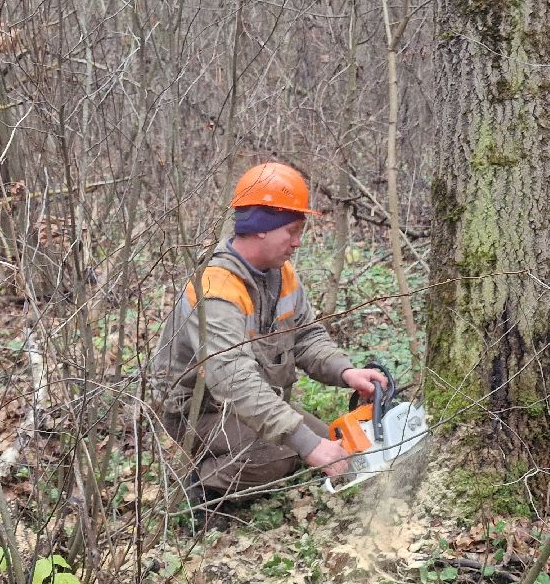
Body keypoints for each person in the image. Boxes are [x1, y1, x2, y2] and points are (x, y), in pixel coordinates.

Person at [151, 162, 388, 520]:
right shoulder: (217, 289)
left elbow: (306, 336)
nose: (298, 242)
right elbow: (233, 380)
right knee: (286, 452)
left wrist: (346, 372)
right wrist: (306, 445)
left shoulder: (282, 275)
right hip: (197, 411)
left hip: (245, 402)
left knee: (331, 442)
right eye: (291, 231)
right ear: (261, 228)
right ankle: (203, 485)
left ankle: (249, 452)